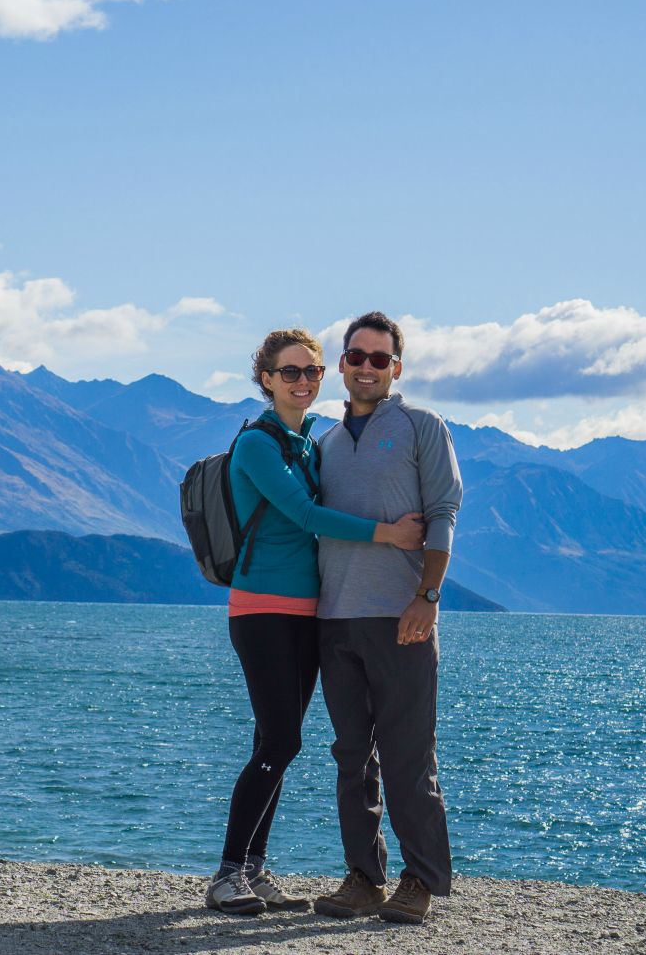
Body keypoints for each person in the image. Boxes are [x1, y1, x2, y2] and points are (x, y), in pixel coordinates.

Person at [205, 328, 427, 915]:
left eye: (312, 372)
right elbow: (305, 515)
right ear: (266, 379)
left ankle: (253, 867)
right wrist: (390, 534)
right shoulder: (257, 444)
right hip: (263, 610)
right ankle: (227, 873)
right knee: (282, 739)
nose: (303, 382)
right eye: (290, 372)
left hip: (310, 612)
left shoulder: (307, 444)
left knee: (271, 739)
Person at [310, 311, 463, 926]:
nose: (367, 367)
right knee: (351, 755)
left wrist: (426, 599)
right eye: (356, 356)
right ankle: (362, 878)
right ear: (340, 365)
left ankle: (420, 880)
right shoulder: (322, 441)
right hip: (334, 620)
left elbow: (445, 512)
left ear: (396, 368)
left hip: (401, 618)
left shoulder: (423, 427)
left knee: (407, 757)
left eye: (380, 358)